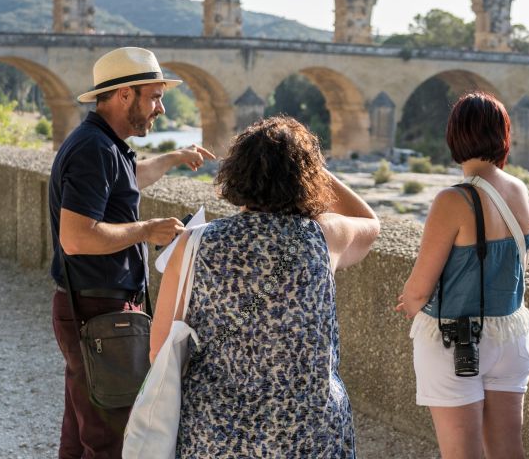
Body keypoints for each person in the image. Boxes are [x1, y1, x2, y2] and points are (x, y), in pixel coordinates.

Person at [149, 116, 380, 458]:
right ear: (307, 179)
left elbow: (159, 351)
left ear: (235, 173)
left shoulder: (193, 244)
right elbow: (370, 224)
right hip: (308, 432)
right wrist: (315, 169)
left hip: (215, 430)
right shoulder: (324, 236)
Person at [50, 46, 215, 459]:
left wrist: (173, 158)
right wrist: (148, 230)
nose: (160, 107)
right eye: (155, 96)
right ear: (125, 95)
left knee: (82, 429)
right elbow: (77, 237)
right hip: (99, 309)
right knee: (112, 435)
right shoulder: (95, 150)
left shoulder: (105, 144)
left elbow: (128, 179)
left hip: (95, 304)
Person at [396, 91, 529, 459]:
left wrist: (411, 303)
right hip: (511, 336)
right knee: (508, 451)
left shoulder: (453, 200)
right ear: (503, 134)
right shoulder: (519, 191)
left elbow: (419, 289)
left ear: (454, 137)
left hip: (455, 339)